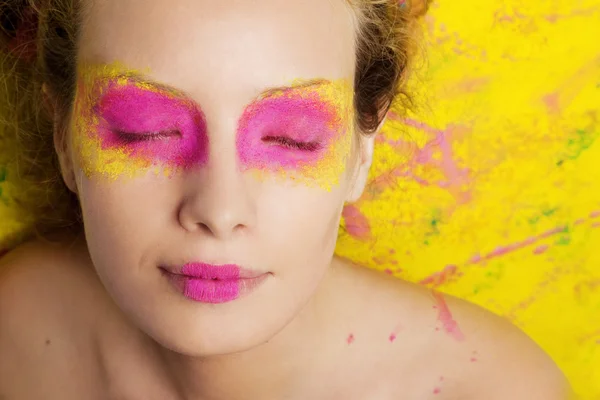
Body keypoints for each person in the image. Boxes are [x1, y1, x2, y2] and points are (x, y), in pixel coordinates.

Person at [0, 0, 573, 398]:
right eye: (146, 131)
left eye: (289, 139)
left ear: (359, 153)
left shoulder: (494, 390)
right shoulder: (13, 331)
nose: (220, 212)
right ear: (65, 137)